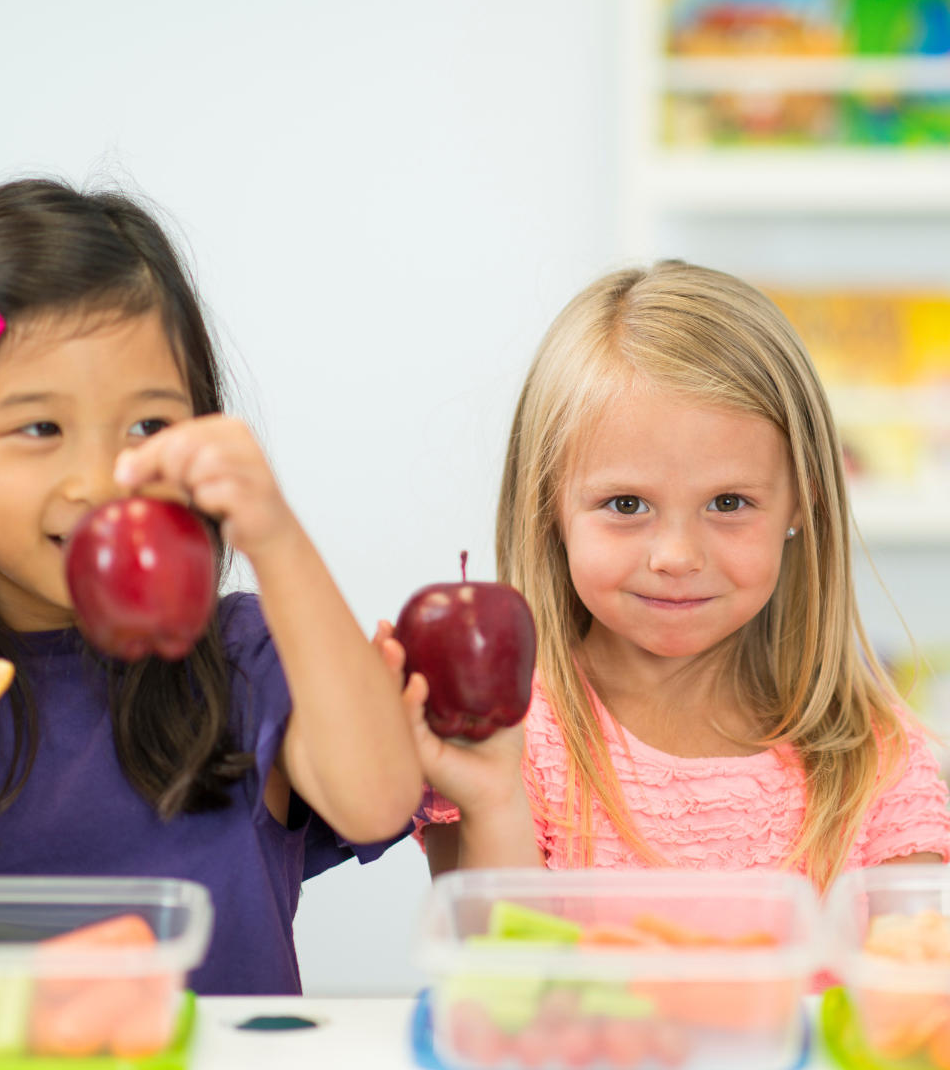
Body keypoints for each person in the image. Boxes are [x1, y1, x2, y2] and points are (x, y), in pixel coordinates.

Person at [0, 181, 425, 993]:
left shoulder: (244, 659)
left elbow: (378, 802)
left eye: (148, 426)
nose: (103, 481)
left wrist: (274, 535)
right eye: (40, 428)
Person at [402, 261, 950, 890]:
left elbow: (901, 973)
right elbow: (495, 976)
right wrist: (494, 794)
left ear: (803, 500)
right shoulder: (511, 736)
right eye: (627, 505)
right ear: (547, 503)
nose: (677, 555)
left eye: (727, 503)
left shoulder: (872, 756)